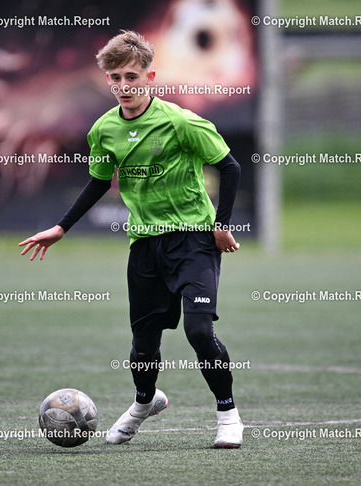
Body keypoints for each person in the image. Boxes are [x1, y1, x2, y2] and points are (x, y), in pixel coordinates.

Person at [19, 30, 243, 448]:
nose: (123, 86)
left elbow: (229, 167)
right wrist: (61, 228)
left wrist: (221, 224)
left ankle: (228, 415)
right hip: (144, 245)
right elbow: (97, 182)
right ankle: (144, 403)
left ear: (149, 77)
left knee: (198, 330)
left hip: (193, 239)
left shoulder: (180, 121)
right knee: (143, 344)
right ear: (108, 80)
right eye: (116, 78)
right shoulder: (104, 130)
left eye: (131, 77)